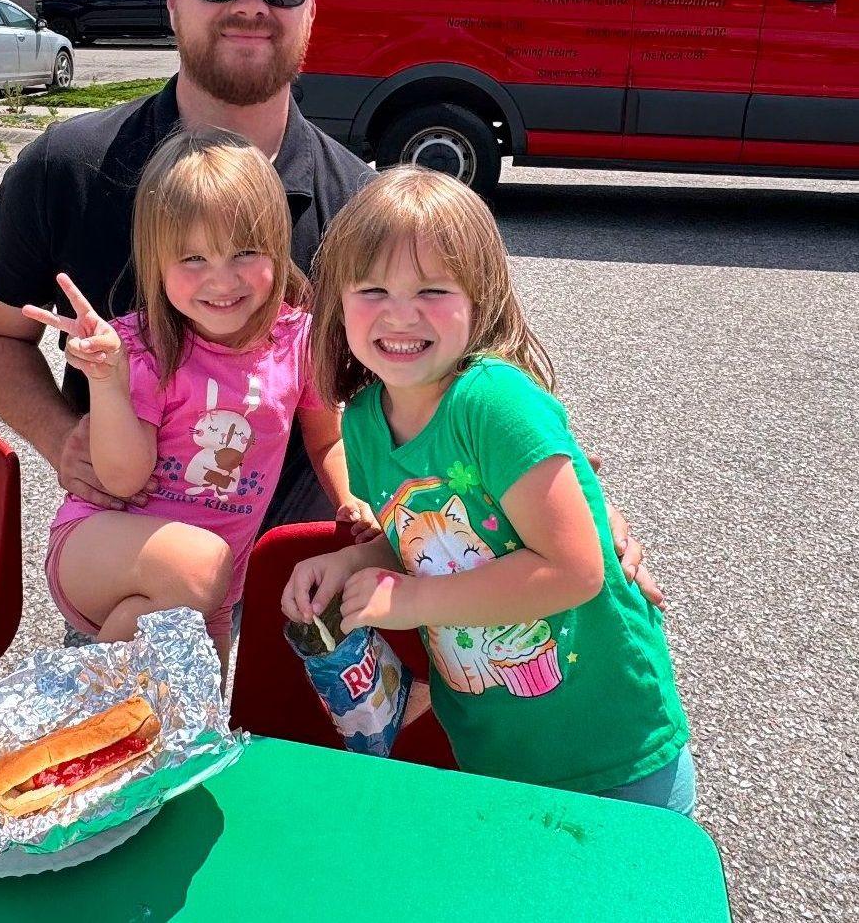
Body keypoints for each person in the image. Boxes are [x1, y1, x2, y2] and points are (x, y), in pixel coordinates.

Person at [0, 0, 660, 603]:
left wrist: (571, 493)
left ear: (311, 9)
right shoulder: (68, 168)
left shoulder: (359, 205)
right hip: (139, 570)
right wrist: (61, 438)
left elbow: (473, 370)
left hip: (312, 580)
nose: (251, 3)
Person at [282, 167, 694, 813]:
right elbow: (422, 543)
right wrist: (349, 562)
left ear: (481, 298)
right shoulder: (360, 424)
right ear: (338, 301)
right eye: (373, 289)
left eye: (432, 289)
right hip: (492, 745)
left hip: (609, 741)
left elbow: (575, 569)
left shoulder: (494, 403)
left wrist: (413, 600)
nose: (400, 313)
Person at [24, 130, 373, 674]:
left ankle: (86, 704)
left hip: (211, 592)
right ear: (157, 263)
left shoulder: (300, 342)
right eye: (193, 257)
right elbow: (122, 479)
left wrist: (350, 499)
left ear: (278, 247)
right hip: (101, 548)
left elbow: (326, 438)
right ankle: (76, 698)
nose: (221, 279)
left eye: (244, 252)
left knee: (186, 707)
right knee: (201, 566)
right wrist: (110, 381)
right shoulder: (140, 348)